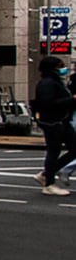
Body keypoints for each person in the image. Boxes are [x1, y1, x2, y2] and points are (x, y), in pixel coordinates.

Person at [34, 55, 76, 194]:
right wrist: (71, 100)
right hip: (53, 122)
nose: (63, 68)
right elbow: (49, 103)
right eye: (60, 66)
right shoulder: (48, 83)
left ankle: (47, 174)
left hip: (60, 120)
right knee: (54, 151)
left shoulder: (54, 81)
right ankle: (49, 184)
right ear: (53, 68)